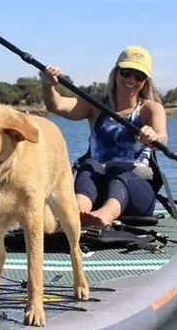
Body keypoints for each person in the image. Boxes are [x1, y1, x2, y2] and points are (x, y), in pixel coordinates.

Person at [41, 45, 168, 228]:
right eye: (127, 72)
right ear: (116, 73)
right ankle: (77, 213)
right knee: (89, 166)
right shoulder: (96, 105)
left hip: (136, 193)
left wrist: (154, 136)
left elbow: (162, 137)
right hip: (97, 186)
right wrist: (48, 85)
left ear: (145, 82)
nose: (131, 79)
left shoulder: (150, 109)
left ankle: (105, 215)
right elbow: (57, 105)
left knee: (118, 170)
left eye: (138, 76)